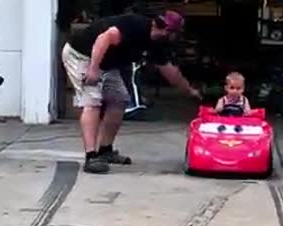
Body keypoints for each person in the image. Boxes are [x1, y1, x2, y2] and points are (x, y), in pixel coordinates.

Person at [62, 10, 201, 174]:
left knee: (119, 99)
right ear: (170, 32)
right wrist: (93, 70)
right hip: (82, 55)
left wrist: (189, 90)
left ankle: (105, 150)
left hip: (108, 63)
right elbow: (104, 38)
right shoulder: (135, 26)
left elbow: (169, 71)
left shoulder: (157, 44)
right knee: (92, 102)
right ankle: (91, 157)